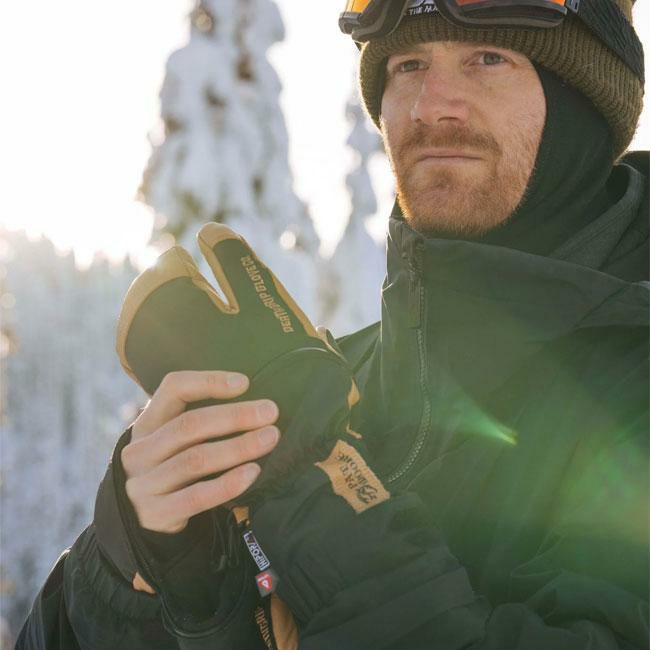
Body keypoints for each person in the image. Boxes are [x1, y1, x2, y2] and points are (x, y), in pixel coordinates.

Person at [17, 0, 648, 648]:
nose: (430, 105)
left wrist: (328, 524)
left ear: (582, 102)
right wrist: (146, 570)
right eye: (408, 65)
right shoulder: (320, 388)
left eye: (488, 59)